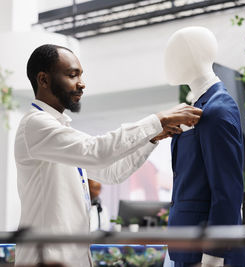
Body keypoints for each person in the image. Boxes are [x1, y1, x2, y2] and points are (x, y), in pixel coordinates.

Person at [14, 44, 203, 266]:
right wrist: (157, 120)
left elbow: (112, 172)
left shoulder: (58, 129)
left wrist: (152, 138)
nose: (81, 83)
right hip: (46, 260)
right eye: (72, 75)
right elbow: (97, 152)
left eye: (81, 75)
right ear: (43, 80)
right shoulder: (35, 125)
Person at [163, 27, 245, 267]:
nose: (165, 61)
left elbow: (227, 189)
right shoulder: (199, 107)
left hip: (205, 255)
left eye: (172, 52)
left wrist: (214, 255)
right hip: (187, 249)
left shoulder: (217, 109)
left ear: (193, 55)